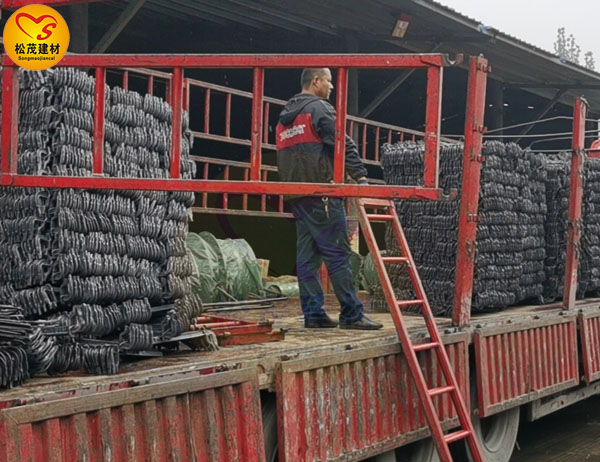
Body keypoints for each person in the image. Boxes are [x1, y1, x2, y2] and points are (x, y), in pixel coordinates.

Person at [276, 68, 383, 330]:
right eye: (329, 81)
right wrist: (360, 176)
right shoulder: (319, 109)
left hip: (297, 195)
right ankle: (352, 314)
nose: (331, 87)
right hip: (322, 193)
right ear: (316, 81)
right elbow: (341, 143)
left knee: (307, 257)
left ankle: (313, 314)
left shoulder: (284, 118)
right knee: (339, 255)